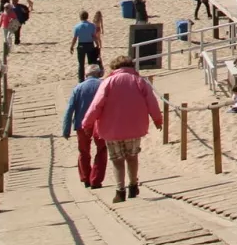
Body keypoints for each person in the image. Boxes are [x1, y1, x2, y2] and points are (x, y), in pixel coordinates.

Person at [81, 54, 162, 203]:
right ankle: (133, 185)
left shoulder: (108, 82)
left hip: (111, 128)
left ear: (114, 68)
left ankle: (120, 190)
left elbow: (96, 105)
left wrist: (87, 123)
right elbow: (152, 101)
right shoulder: (139, 81)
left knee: (117, 160)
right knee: (132, 157)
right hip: (134, 126)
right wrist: (157, 120)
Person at [62, 63, 107, 189]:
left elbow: (69, 109)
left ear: (86, 75)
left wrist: (66, 129)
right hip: (99, 123)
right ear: (99, 74)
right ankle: (96, 179)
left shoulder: (78, 88)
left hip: (81, 124)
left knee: (83, 151)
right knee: (102, 150)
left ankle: (86, 177)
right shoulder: (103, 85)